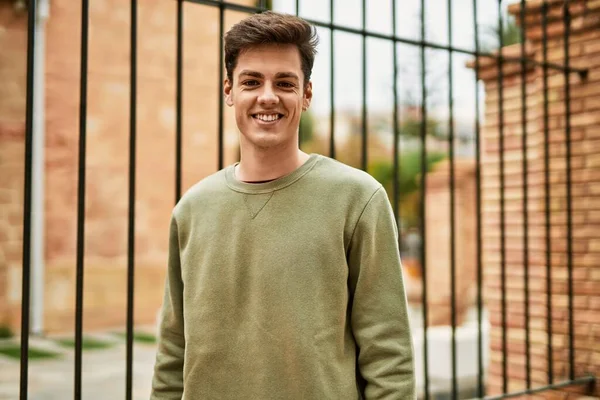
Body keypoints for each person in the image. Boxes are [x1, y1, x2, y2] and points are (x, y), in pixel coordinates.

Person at [150, 11, 415, 400]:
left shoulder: (358, 199)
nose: (268, 96)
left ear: (306, 94)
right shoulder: (192, 210)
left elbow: (389, 355)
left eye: (285, 82)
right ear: (229, 91)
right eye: (251, 81)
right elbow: (173, 351)